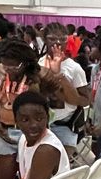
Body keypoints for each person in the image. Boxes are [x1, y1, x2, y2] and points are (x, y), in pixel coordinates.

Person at [0, 39, 87, 179]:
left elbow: (66, 100)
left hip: (31, 134)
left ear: (25, 63)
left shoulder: (40, 76)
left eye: (14, 66)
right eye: (5, 65)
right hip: (4, 133)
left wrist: (57, 78)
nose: (9, 70)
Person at [39, 24, 90, 154]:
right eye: (52, 39)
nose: (58, 43)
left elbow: (85, 100)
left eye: (62, 39)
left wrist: (59, 76)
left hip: (65, 124)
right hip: (42, 123)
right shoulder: (39, 64)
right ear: (44, 39)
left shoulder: (74, 68)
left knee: (62, 162)